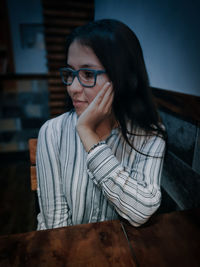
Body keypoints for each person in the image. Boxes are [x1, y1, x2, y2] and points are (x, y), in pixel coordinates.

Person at [36, 19, 167, 230]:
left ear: (123, 77)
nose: (72, 88)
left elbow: (141, 212)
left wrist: (88, 134)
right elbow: (56, 226)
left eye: (87, 74)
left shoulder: (149, 135)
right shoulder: (52, 132)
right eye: (70, 73)